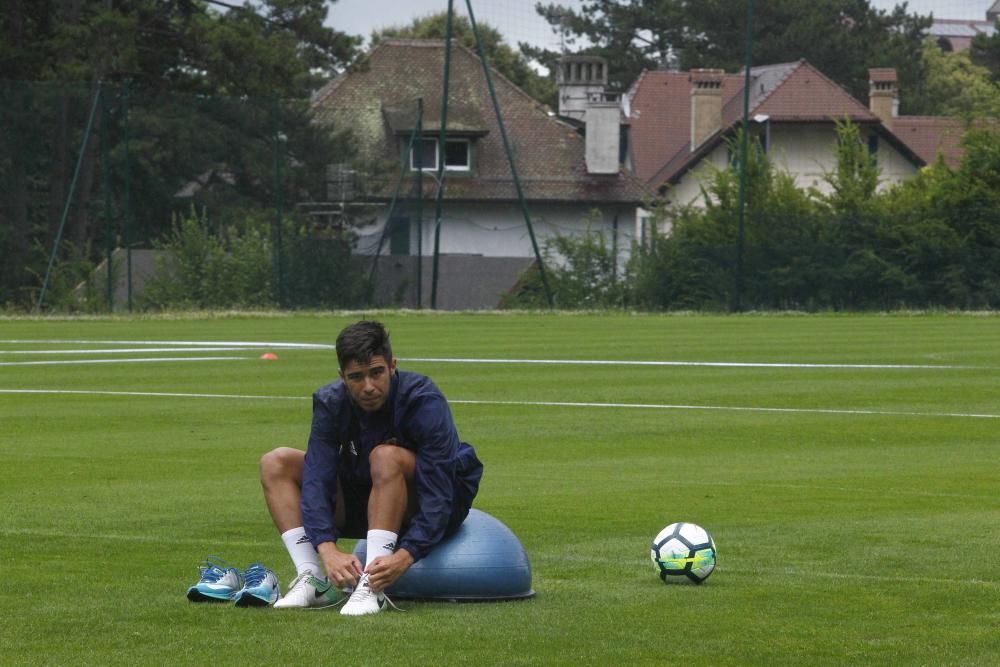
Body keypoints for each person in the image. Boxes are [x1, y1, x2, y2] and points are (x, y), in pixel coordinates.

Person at [259, 320, 483, 615]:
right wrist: (326, 548)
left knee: (385, 456)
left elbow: (440, 492)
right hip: (367, 499)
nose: (368, 387)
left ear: (392, 365)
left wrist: (406, 556)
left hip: (432, 504)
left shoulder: (423, 400)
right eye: (356, 377)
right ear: (342, 377)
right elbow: (317, 477)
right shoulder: (330, 402)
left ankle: (373, 587)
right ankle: (313, 579)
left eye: (376, 373)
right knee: (276, 462)